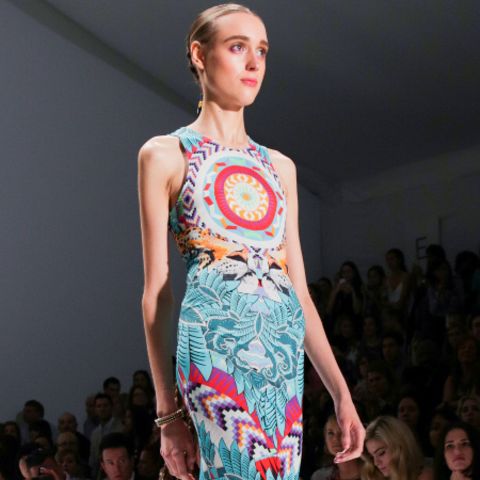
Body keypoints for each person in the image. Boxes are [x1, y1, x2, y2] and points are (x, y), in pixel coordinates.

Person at [137, 4, 365, 480]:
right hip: (214, 352)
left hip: (282, 361)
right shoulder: (166, 155)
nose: (254, 62)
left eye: (261, 50)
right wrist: (167, 414)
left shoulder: (280, 167)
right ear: (199, 55)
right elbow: (157, 292)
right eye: (237, 47)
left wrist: (342, 394)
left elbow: (299, 293)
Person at [362, 416, 433, 479]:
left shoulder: (425, 476)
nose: (376, 463)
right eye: (372, 457)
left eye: (381, 453)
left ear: (401, 446)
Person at [311, 414, 362, 480]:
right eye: (330, 433)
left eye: (343, 432)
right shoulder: (320, 477)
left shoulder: (372, 474)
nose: (336, 439)